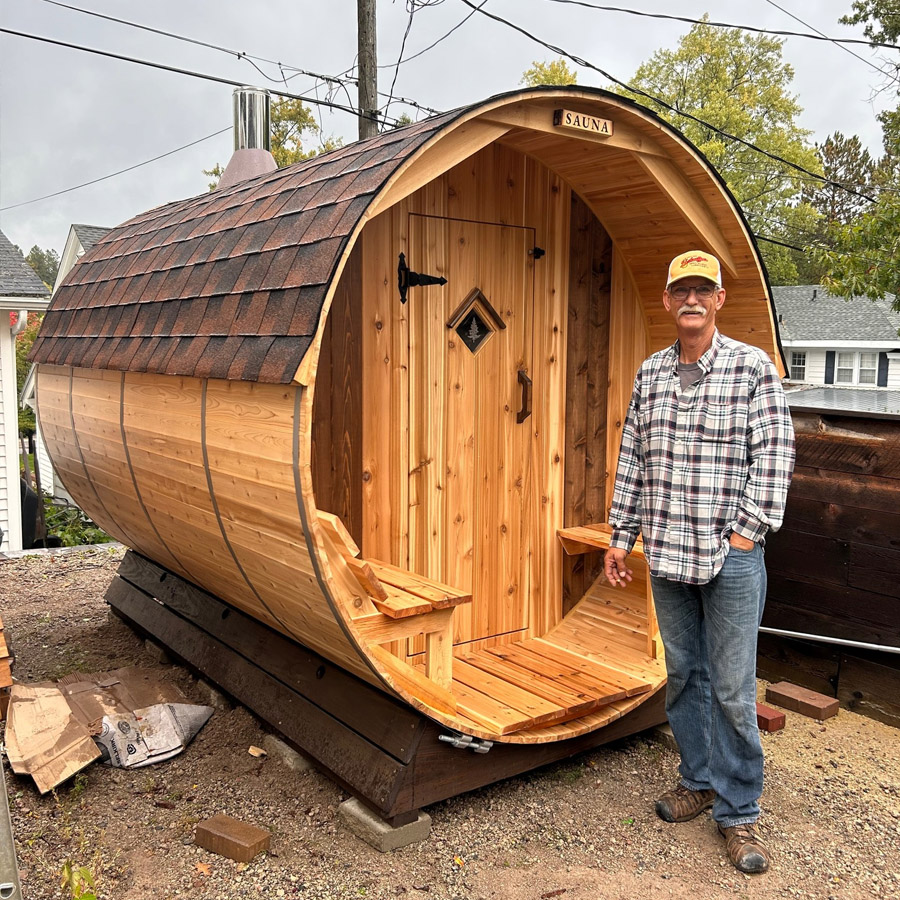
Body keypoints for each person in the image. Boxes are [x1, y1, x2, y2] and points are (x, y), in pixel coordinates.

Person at [603, 250, 795, 875]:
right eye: (681, 289)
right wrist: (621, 536)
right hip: (666, 554)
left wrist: (745, 535)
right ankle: (700, 780)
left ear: (718, 300)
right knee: (685, 675)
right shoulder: (651, 373)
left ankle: (739, 813)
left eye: (702, 290)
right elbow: (633, 458)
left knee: (734, 690)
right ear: (667, 301)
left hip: (730, 558)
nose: (691, 299)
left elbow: (775, 458)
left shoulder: (751, 368)